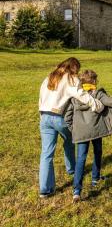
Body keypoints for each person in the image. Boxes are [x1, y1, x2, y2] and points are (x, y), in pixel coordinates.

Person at [39, 57, 103, 199]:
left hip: (44, 116)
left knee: (46, 153)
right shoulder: (71, 79)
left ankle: (44, 189)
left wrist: (41, 115)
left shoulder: (49, 77)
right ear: (74, 68)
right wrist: (97, 104)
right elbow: (81, 95)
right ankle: (72, 169)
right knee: (71, 140)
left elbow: (41, 96)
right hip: (58, 116)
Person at [64, 69, 112, 202]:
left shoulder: (74, 97)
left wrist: (73, 129)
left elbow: (67, 116)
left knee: (81, 158)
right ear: (93, 81)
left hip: (81, 132)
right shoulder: (97, 94)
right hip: (97, 130)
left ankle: (77, 190)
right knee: (97, 152)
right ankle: (95, 178)